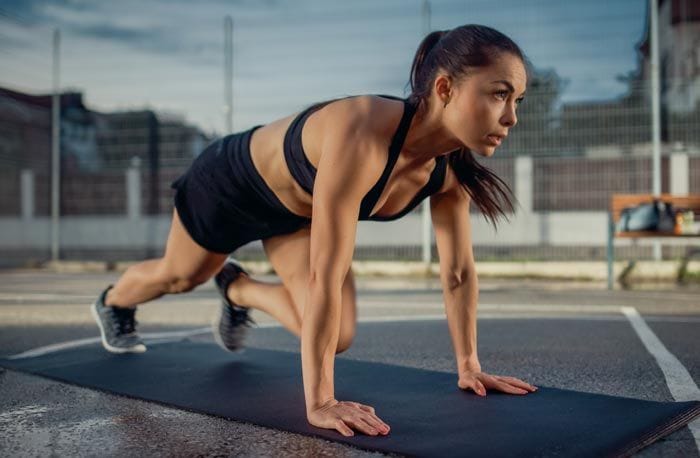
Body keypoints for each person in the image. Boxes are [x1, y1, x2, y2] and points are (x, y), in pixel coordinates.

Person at [91, 23, 538, 438]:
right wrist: (321, 401)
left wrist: (469, 365)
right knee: (180, 276)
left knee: (337, 336)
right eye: (499, 95)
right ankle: (113, 303)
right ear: (445, 87)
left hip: (295, 216)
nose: (511, 117)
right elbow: (325, 274)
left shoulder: (447, 175)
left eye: (517, 100)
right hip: (230, 186)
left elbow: (457, 273)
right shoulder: (361, 132)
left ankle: (237, 290)